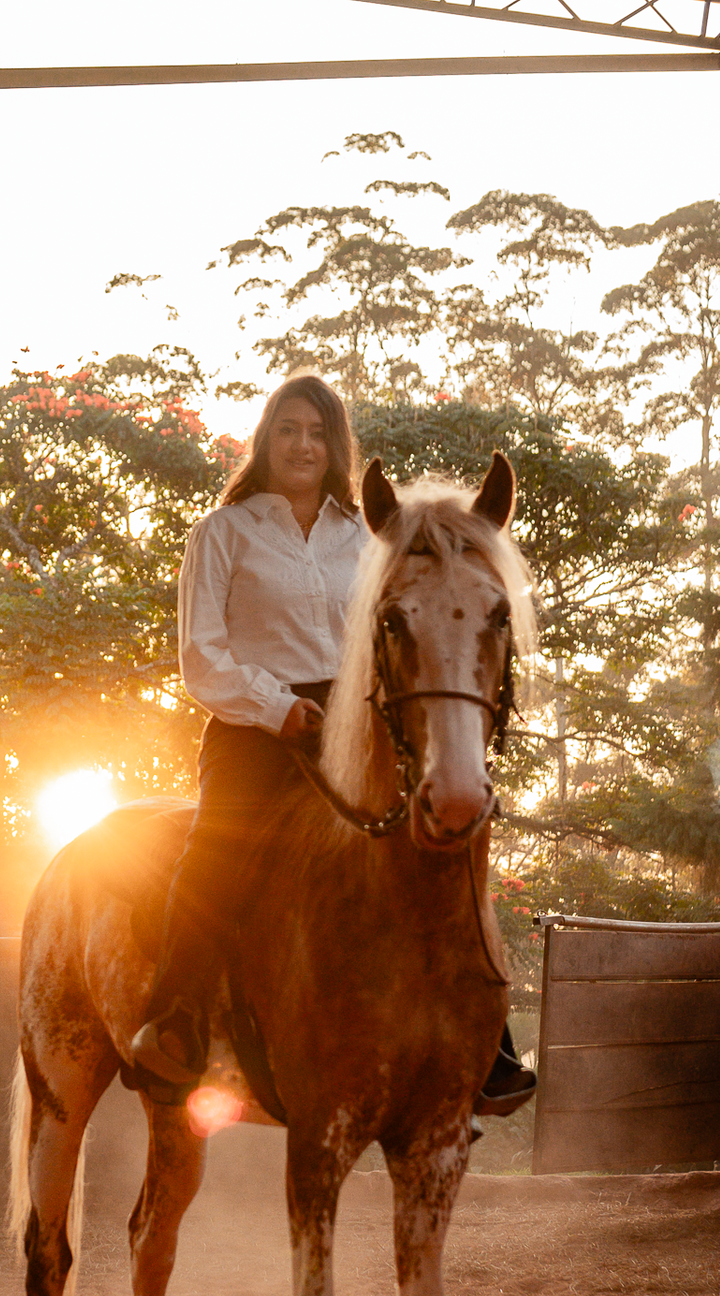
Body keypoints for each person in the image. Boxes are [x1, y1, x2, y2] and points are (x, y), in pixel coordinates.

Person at [130, 372, 537, 1119]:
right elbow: (200, 656)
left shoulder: (369, 536)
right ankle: (177, 1021)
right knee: (216, 855)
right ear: (265, 440)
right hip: (256, 729)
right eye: (289, 430)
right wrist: (279, 708)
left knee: (442, 844)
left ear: (336, 446)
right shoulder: (223, 533)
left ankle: (487, 1044)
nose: (304, 445)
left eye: (318, 433)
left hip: (358, 725)